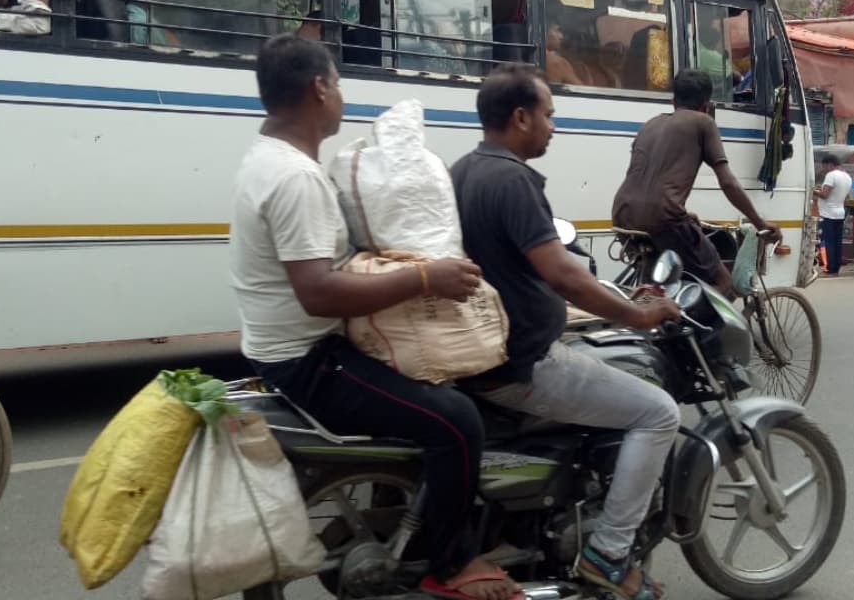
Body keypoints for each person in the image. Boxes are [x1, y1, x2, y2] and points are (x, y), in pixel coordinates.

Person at [229, 35, 519, 600]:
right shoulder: (296, 178)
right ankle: (452, 563)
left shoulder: (268, 159)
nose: (340, 96)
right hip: (309, 361)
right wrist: (425, 278)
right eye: (337, 83)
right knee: (458, 421)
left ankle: (409, 506)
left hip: (281, 349)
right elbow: (317, 292)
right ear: (318, 89)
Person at [451, 63, 682, 600]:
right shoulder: (512, 179)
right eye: (549, 115)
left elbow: (533, 272)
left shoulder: (465, 169)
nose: (554, 126)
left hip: (488, 352)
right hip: (523, 363)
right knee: (658, 412)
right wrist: (640, 316)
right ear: (520, 116)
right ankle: (608, 553)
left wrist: (617, 300)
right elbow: (564, 275)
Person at [612, 69, 782, 300]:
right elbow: (728, 182)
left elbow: (648, 179)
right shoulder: (703, 122)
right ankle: (702, 336)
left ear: (674, 101)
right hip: (664, 217)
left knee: (662, 284)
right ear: (706, 105)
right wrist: (760, 223)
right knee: (723, 284)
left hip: (623, 215)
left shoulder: (651, 124)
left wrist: (682, 212)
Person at [813, 154, 853, 277]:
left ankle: (829, 268)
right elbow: (841, 195)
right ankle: (836, 268)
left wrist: (813, 190)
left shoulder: (831, 175)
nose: (823, 169)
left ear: (830, 164)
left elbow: (825, 195)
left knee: (828, 242)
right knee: (837, 241)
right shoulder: (847, 176)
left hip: (827, 214)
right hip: (840, 213)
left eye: (824, 166)